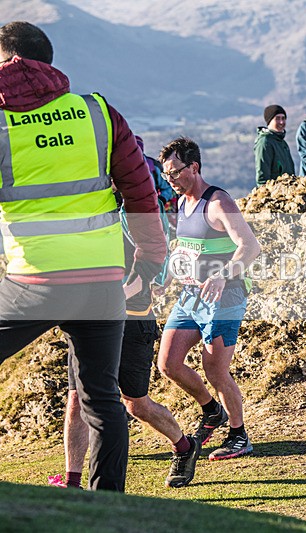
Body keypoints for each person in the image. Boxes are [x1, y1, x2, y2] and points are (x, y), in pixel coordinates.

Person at [0, 21, 166, 492]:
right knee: (102, 398)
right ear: (49, 61)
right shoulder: (98, 113)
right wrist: (150, 260)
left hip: (33, 282)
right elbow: (141, 192)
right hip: (102, 281)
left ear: (8, 60)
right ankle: (108, 506)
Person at [49, 185, 202, 489]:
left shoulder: (135, 218)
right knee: (77, 399)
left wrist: (113, 297)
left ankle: (185, 446)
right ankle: (72, 482)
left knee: (136, 405)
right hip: (91, 324)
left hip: (133, 322)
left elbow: (153, 274)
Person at [157, 137, 261, 461]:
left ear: (194, 167)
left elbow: (250, 246)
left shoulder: (217, 202)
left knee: (215, 371)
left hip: (225, 297)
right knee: (168, 363)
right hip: (190, 296)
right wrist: (165, 280)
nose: (170, 179)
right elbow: (184, 249)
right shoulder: (181, 203)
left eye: (175, 172)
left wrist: (223, 274)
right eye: (166, 174)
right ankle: (212, 410)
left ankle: (239, 435)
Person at [254, 104, 294, 185]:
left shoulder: (282, 143)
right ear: (269, 121)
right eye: (277, 118)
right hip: (274, 190)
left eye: (283, 118)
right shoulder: (265, 142)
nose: (281, 122)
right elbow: (262, 177)